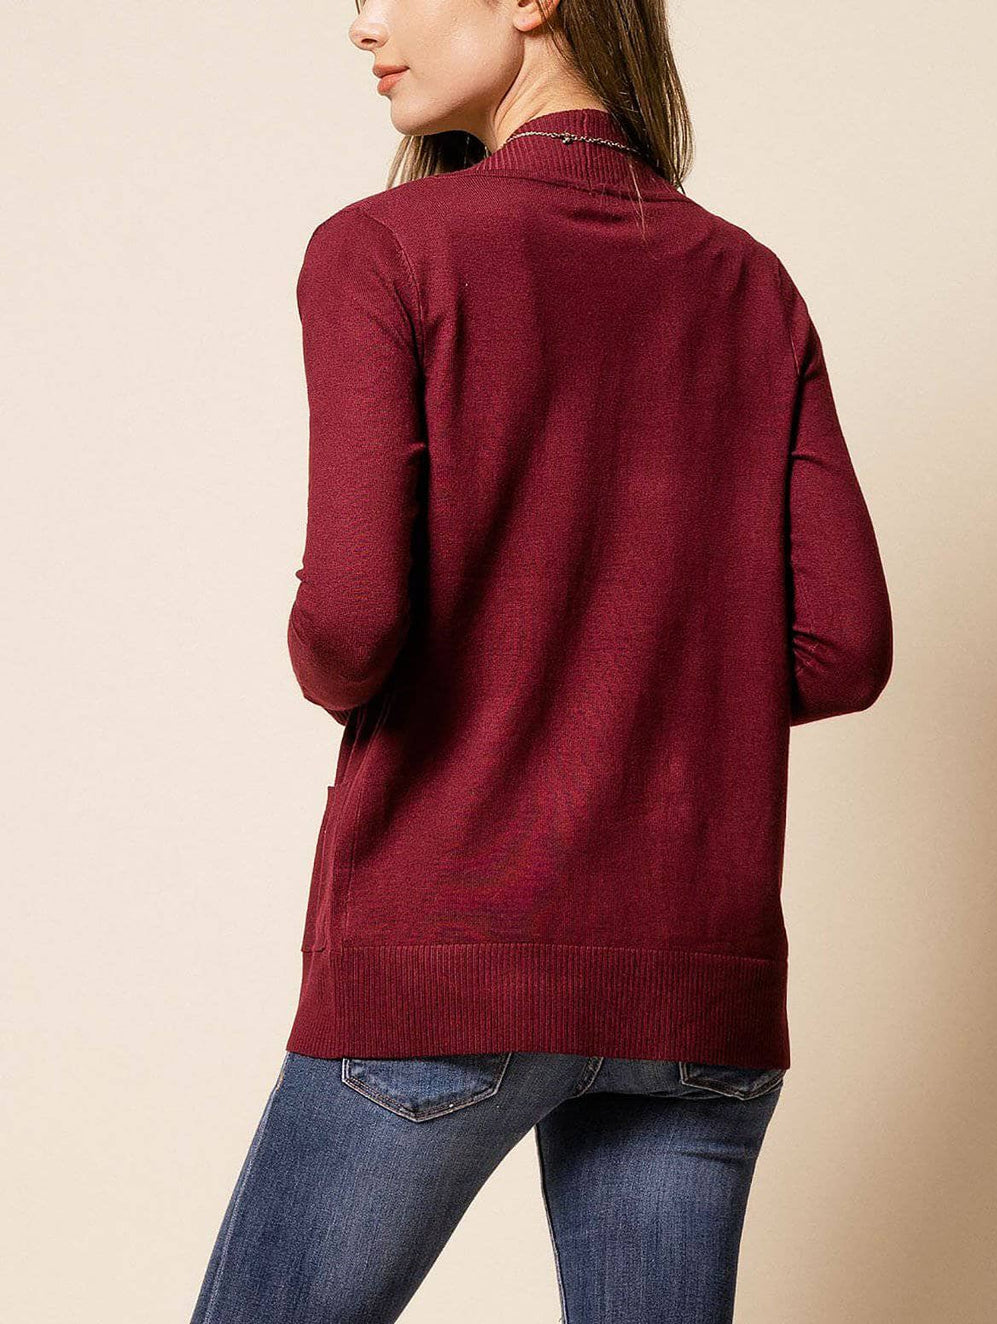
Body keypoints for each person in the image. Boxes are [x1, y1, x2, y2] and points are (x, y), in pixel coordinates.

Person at [189, 0, 893, 1319]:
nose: (362, 24)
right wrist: (657, 681)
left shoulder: (385, 249)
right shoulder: (749, 283)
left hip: (451, 947)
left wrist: (359, 659)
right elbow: (842, 648)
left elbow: (351, 624)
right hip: (699, 982)